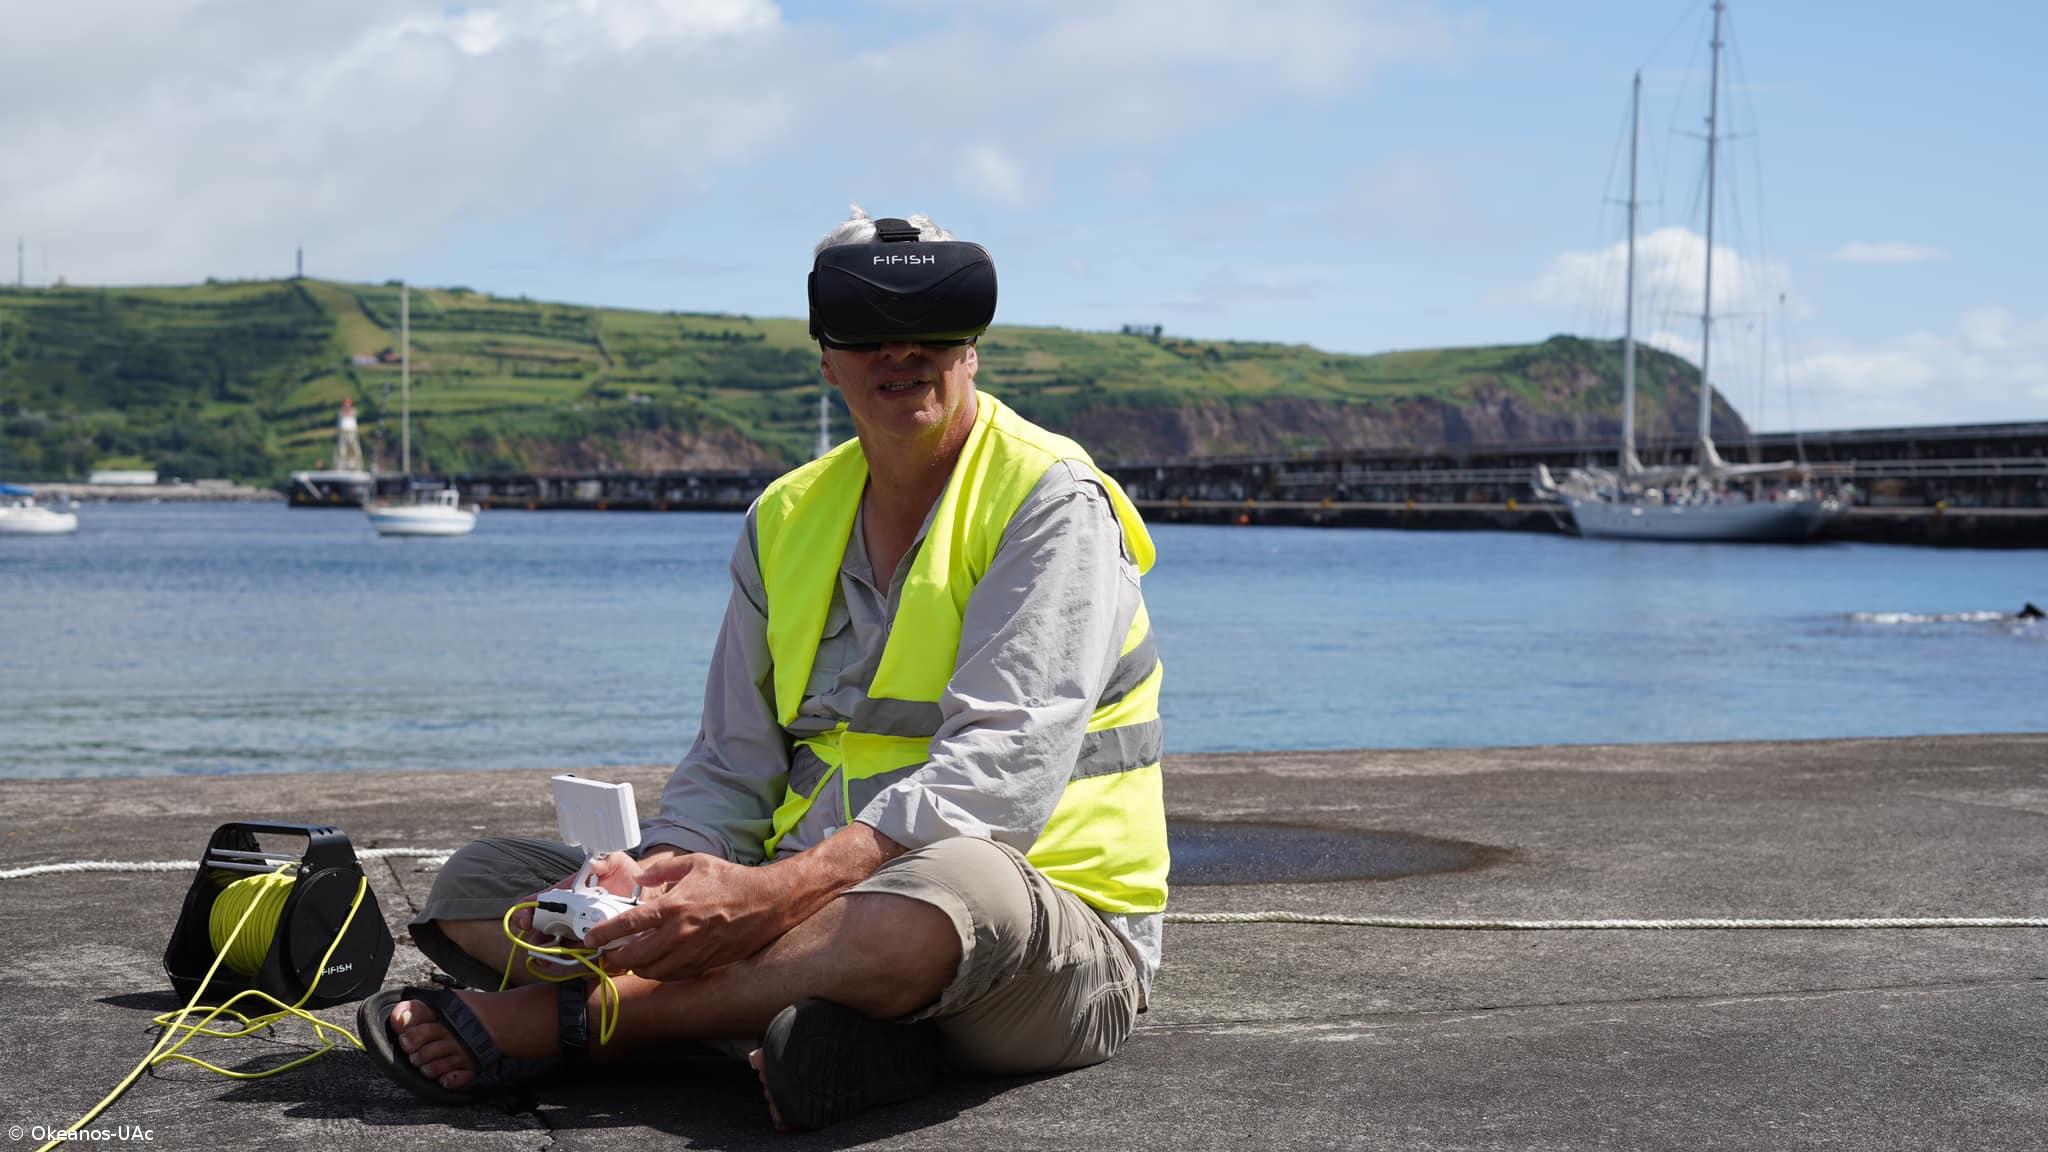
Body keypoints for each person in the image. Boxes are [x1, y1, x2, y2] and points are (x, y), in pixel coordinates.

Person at [358, 207, 1169, 1131]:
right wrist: (663, 880)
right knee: (481, 885)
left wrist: (762, 897)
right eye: (865, 328)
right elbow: (730, 764)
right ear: (826, 356)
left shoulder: (1048, 499)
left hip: (1047, 934)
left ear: (974, 345)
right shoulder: (786, 517)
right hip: (805, 909)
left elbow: (1000, 776)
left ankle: (593, 1019)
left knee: (949, 894)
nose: (902, 350)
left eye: (935, 322)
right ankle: (822, 1029)